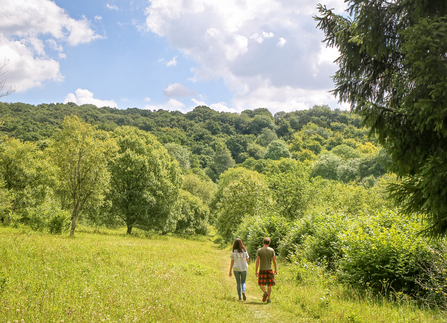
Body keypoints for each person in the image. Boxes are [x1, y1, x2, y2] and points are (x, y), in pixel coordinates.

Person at [255, 237, 277, 303]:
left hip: (262, 269)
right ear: (269, 243)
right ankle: (268, 299)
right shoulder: (271, 250)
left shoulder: (259, 250)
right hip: (269, 269)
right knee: (269, 284)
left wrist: (256, 270)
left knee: (261, 283)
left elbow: (257, 261)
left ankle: (265, 292)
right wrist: (275, 269)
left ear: (263, 242)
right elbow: (274, 260)